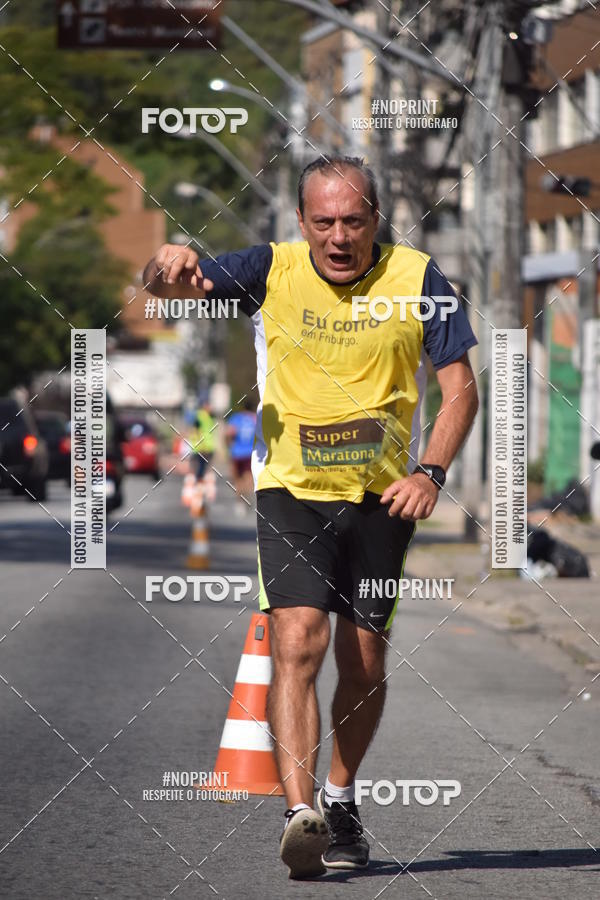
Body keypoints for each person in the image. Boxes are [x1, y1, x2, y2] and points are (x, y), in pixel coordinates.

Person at [144, 156, 479, 880]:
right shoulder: (271, 268)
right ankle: (302, 816)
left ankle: (340, 798)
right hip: (291, 491)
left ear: (376, 222)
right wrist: (163, 264)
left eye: (353, 221)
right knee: (299, 640)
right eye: (323, 221)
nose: (338, 236)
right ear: (300, 222)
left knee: (363, 664)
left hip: (384, 499)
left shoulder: (422, 281)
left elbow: (460, 392)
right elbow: (182, 280)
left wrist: (431, 472)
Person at [226, 398, 257, 514]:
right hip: (250, 453)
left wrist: (230, 445)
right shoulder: (255, 418)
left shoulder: (236, 418)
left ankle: (240, 501)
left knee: (237, 479)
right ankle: (247, 498)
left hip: (237, 452)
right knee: (249, 477)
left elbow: (229, 433)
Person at [188, 402, 216, 481]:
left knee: (203, 467)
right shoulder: (201, 416)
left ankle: (199, 482)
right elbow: (197, 430)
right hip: (202, 447)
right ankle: (198, 483)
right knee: (200, 467)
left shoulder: (208, 417)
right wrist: (202, 444)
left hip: (207, 446)